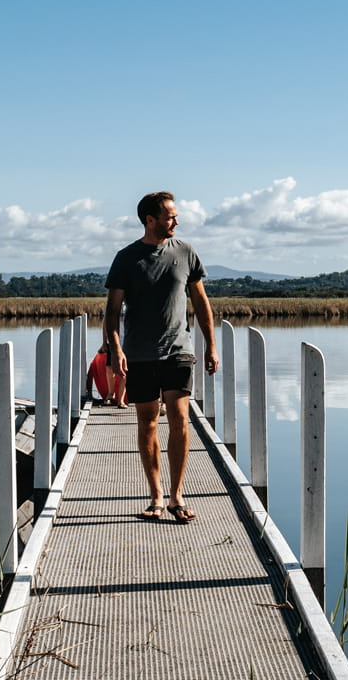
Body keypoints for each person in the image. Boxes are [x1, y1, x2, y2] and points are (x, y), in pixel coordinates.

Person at [103, 191, 217, 523]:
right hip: (139, 354)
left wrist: (211, 344)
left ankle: (177, 495)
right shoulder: (126, 258)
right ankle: (155, 495)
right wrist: (116, 348)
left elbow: (200, 302)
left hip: (179, 351)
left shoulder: (186, 252)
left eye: (175, 216)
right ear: (150, 219)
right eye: (170, 216)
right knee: (148, 422)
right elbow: (111, 313)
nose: (176, 221)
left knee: (180, 420)